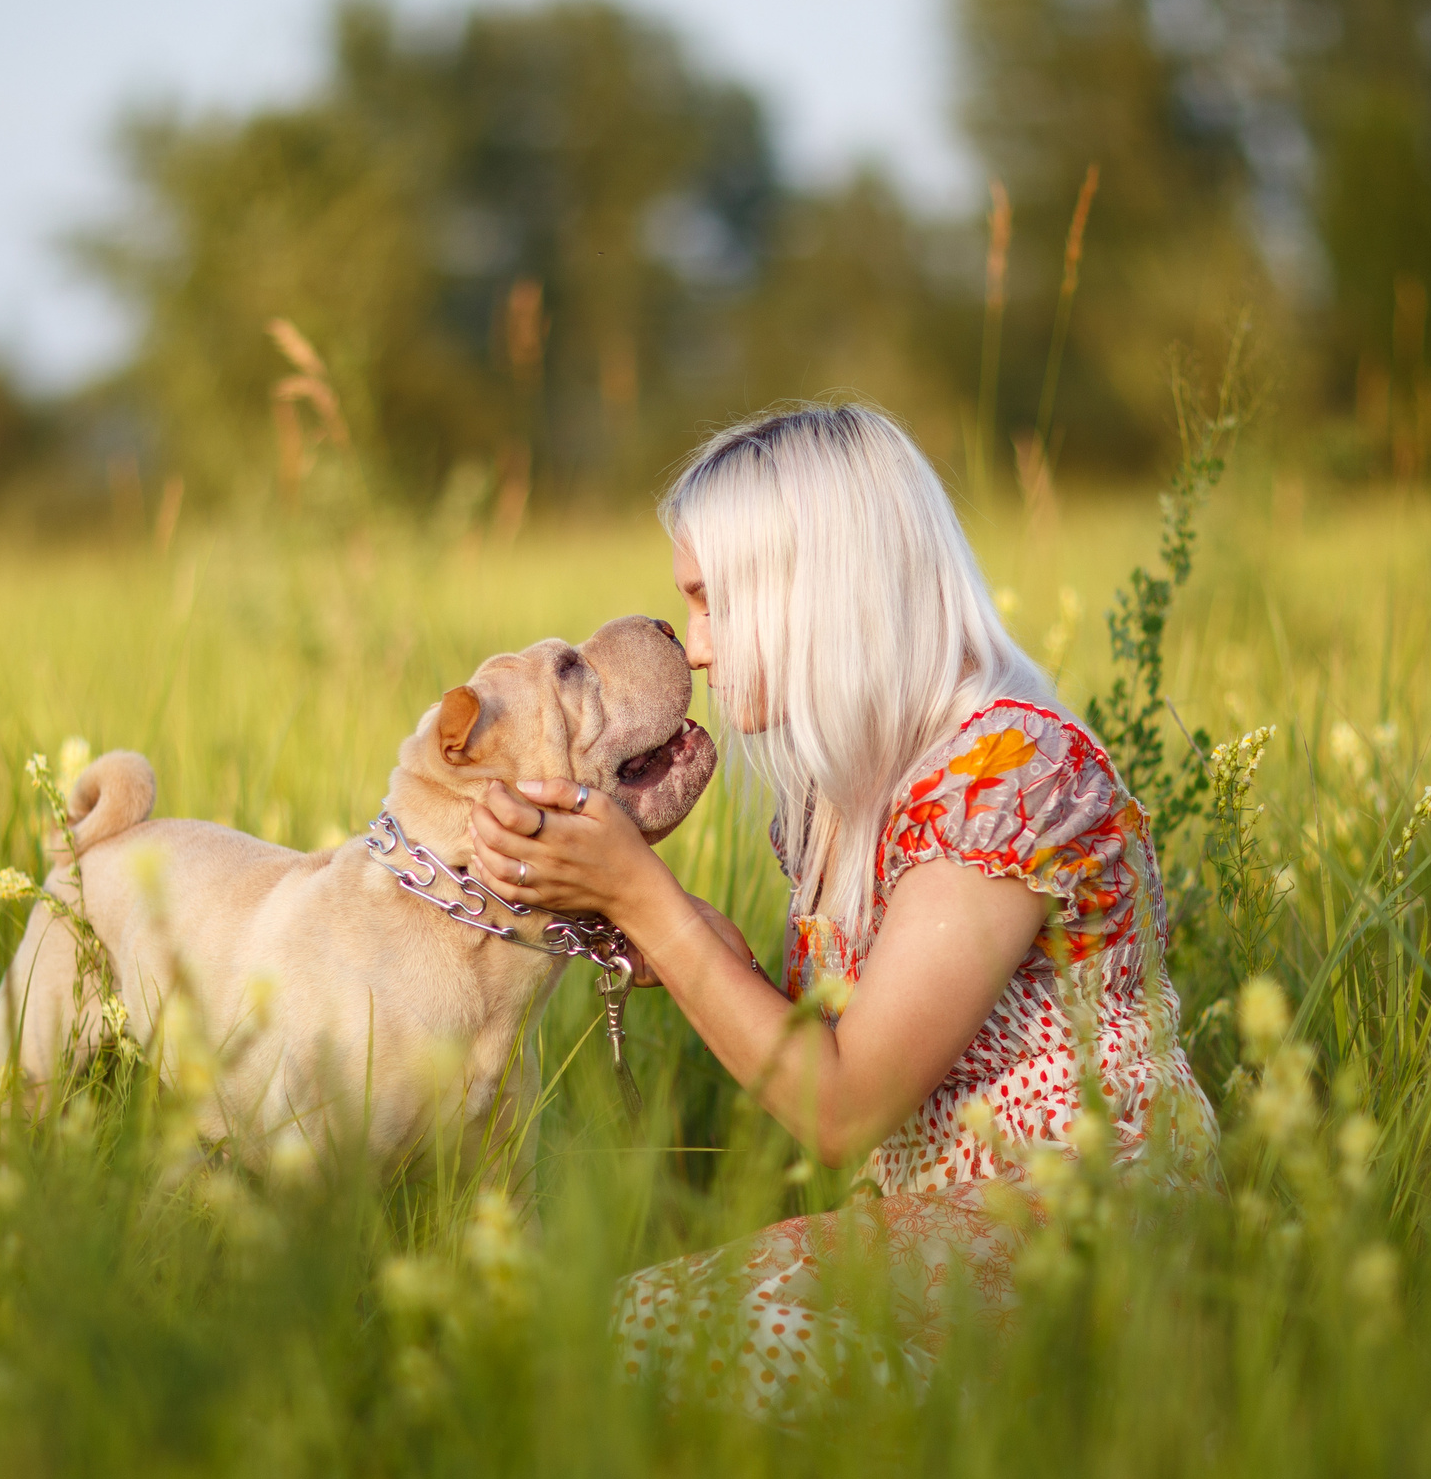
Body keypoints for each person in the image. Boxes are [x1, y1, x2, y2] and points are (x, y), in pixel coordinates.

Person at [468, 403, 1217, 1424]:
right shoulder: (856, 788)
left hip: (1080, 1222)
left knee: (629, 1336)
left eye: (712, 602)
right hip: (952, 1221)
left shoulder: (1002, 773)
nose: (696, 649)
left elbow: (844, 1106)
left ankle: (1027, 1436)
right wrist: (640, 918)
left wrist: (640, 895)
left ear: (817, 592)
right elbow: (840, 1043)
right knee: (584, 1337)